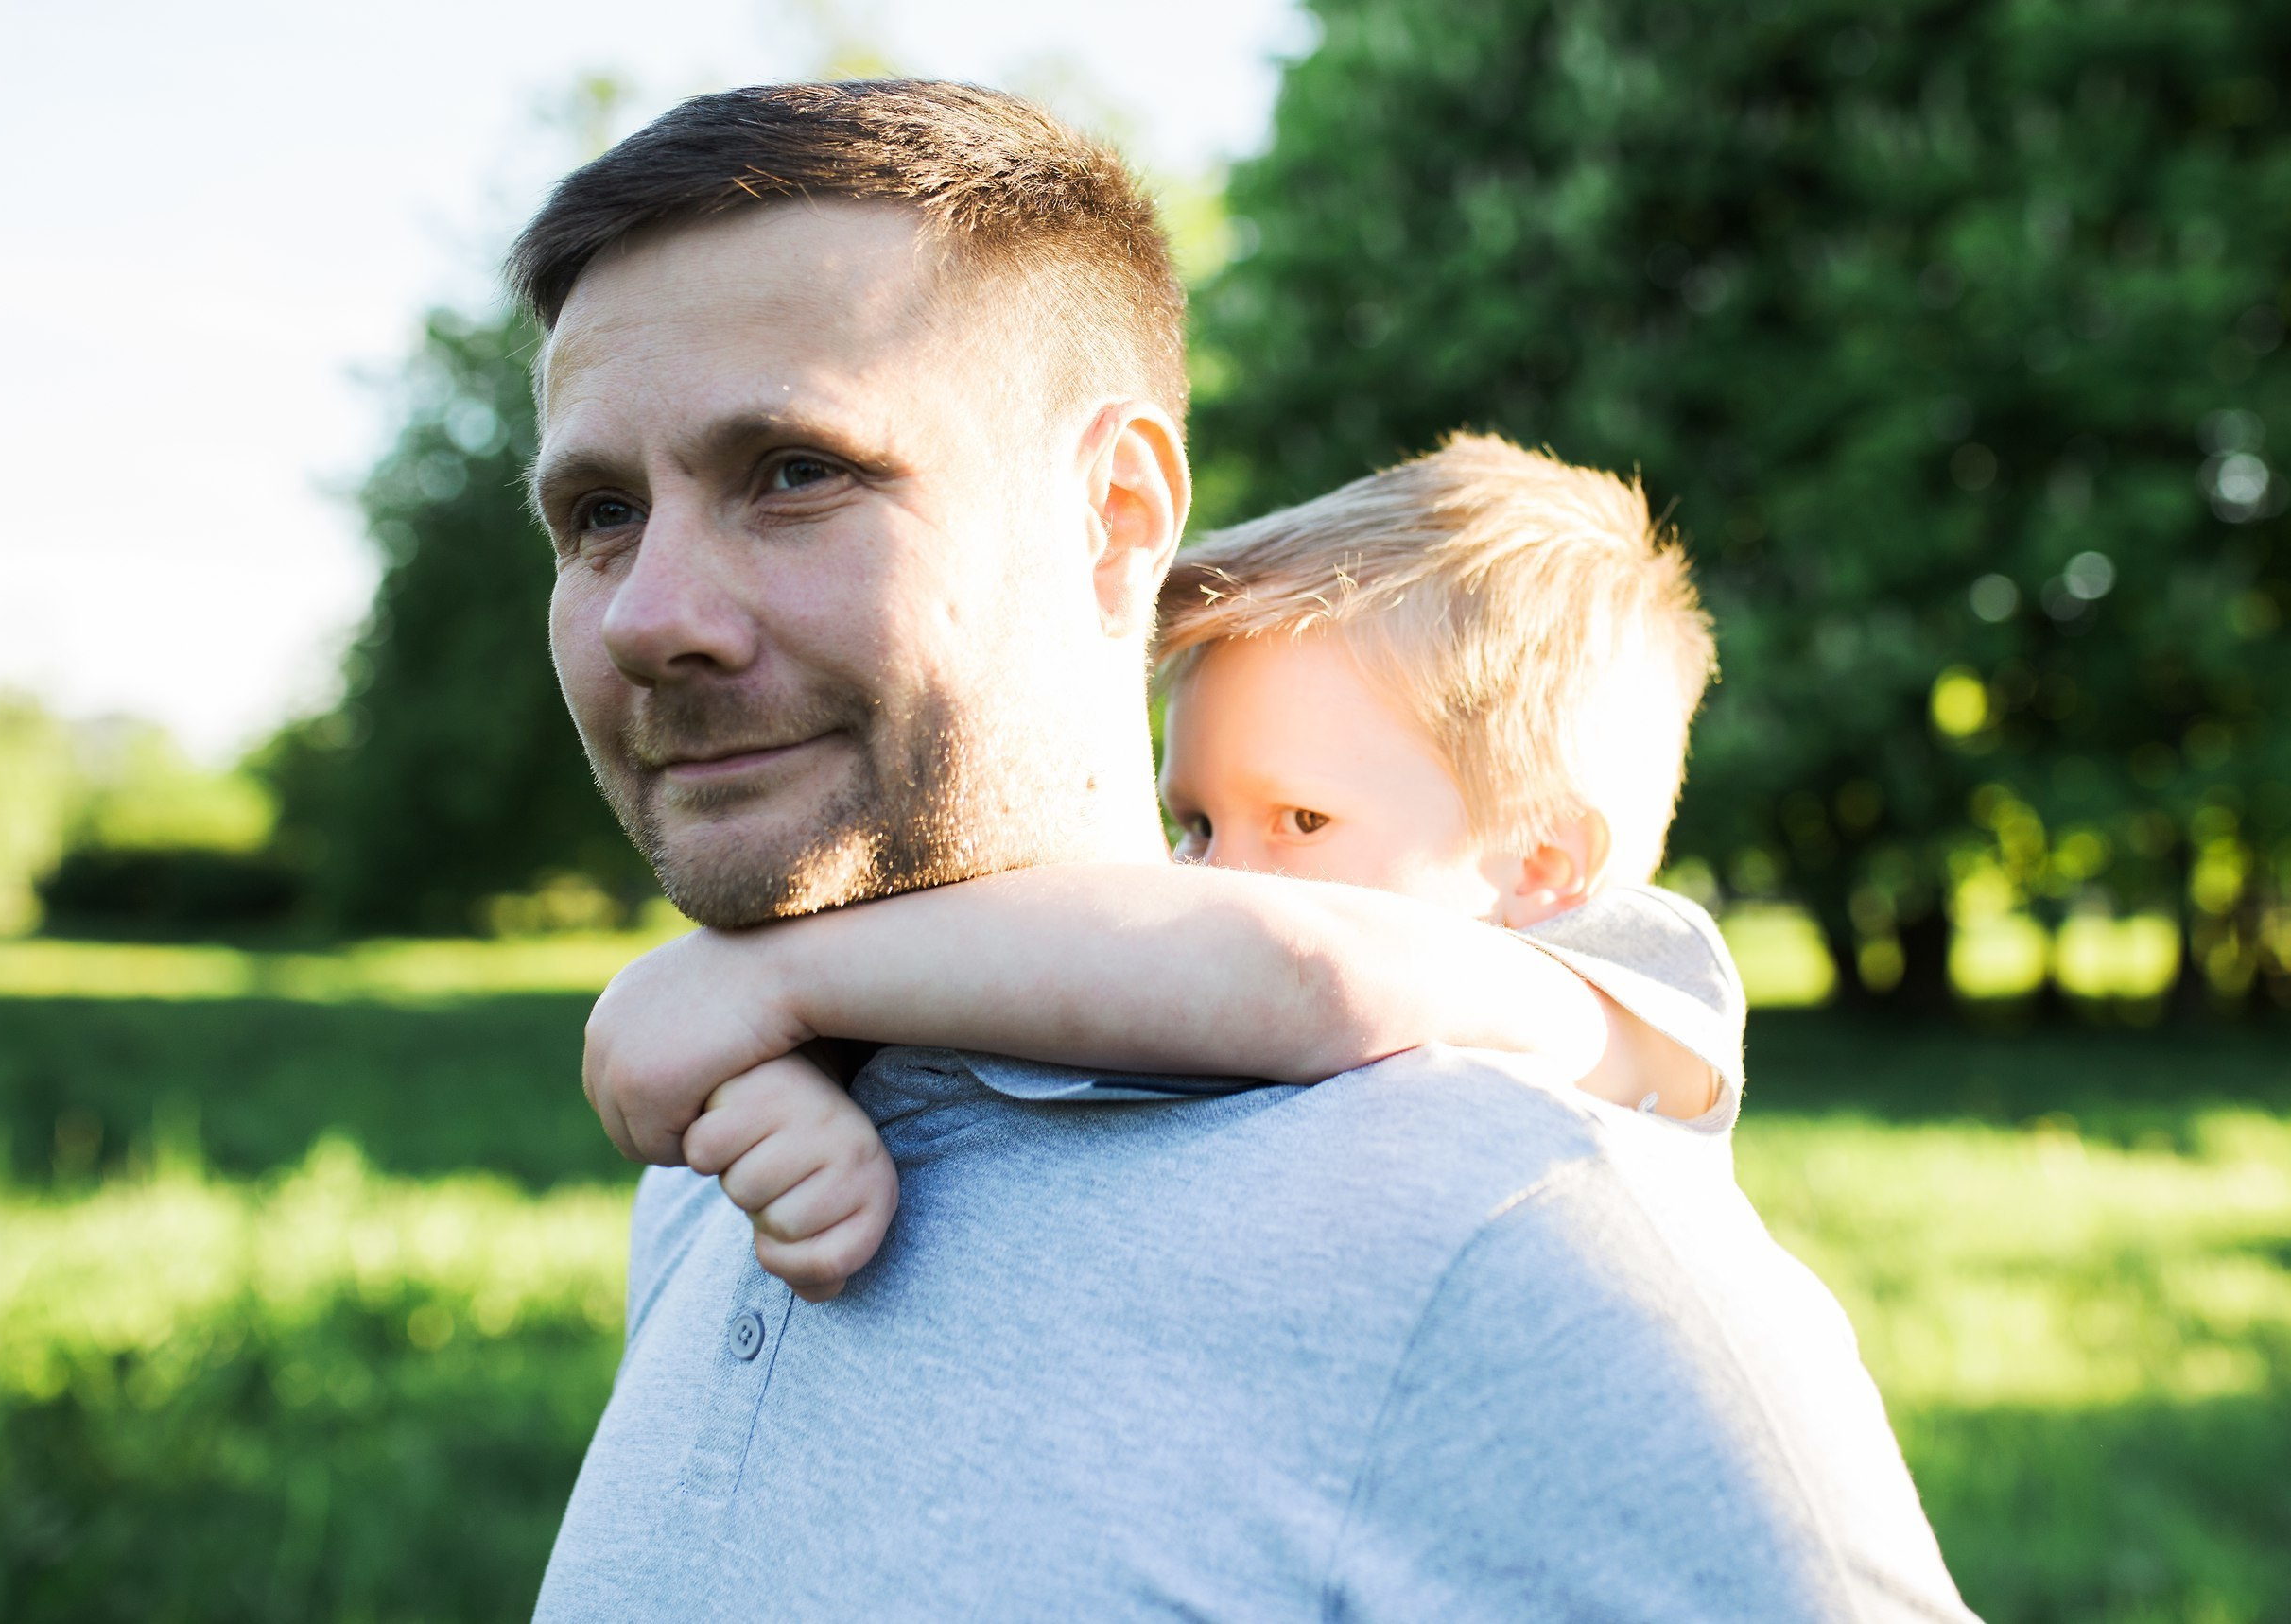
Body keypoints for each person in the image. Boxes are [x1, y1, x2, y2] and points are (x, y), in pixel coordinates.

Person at [518, 78, 1978, 1620]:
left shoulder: (1514, 1227)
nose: (647, 613)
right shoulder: (729, 1148)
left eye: (797, 470)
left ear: (1114, 510)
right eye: (601, 512)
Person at [583, 431, 1748, 1302]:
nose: (1210, 878)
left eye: (1297, 820)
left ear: (1543, 858)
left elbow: (1307, 974)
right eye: (1191, 822)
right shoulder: (1234, 1013)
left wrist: (769, 982)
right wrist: (796, 1073)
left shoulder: (1618, 1001)